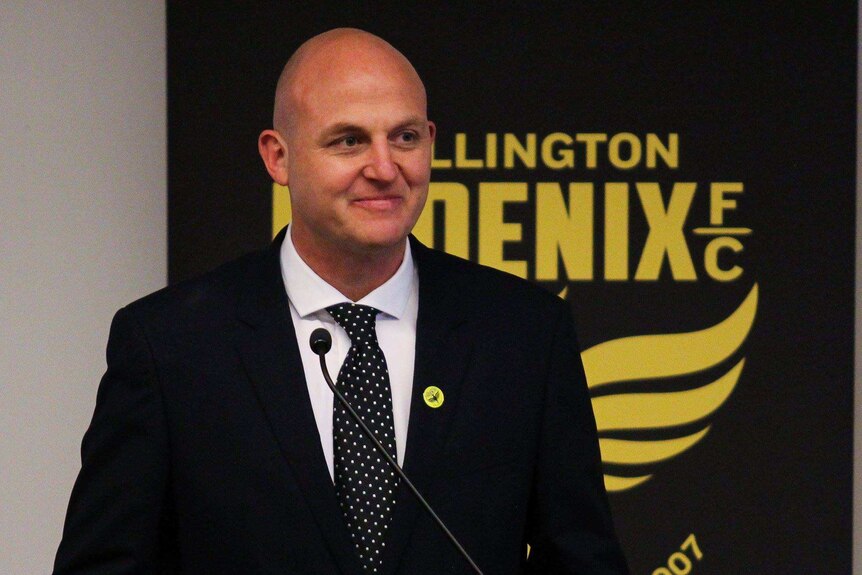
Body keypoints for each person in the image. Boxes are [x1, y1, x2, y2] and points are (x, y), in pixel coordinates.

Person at [54, 28, 629, 574]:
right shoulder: (170, 344)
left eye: (404, 137)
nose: (384, 169)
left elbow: (582, 560)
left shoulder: (524, 333)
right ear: (278, 158)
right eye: (349, 140)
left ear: (430, 142)